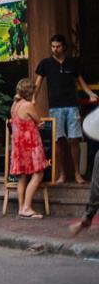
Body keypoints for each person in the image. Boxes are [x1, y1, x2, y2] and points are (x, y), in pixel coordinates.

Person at [35, 34, 98, 184]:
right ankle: (62, 175)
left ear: (64, 47)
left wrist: (90, 94)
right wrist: (32, 98)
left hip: (72, 106)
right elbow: (37, 84)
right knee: (58, 142)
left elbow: (81, 82)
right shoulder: (45, 63)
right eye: (52, 47)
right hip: (55, 108)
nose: (54, 49)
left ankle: (77, 174)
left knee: (74, 140)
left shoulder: (72, 63)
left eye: (57, 47)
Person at [9, 79, 48, 219]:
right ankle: (27, 207)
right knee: (38, 174)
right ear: (30, 92)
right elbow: (39, 121)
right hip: (30, 144)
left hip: (19, 146)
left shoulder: (14, 105)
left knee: (22, 176)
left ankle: (21, 208)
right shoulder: (28, 105)